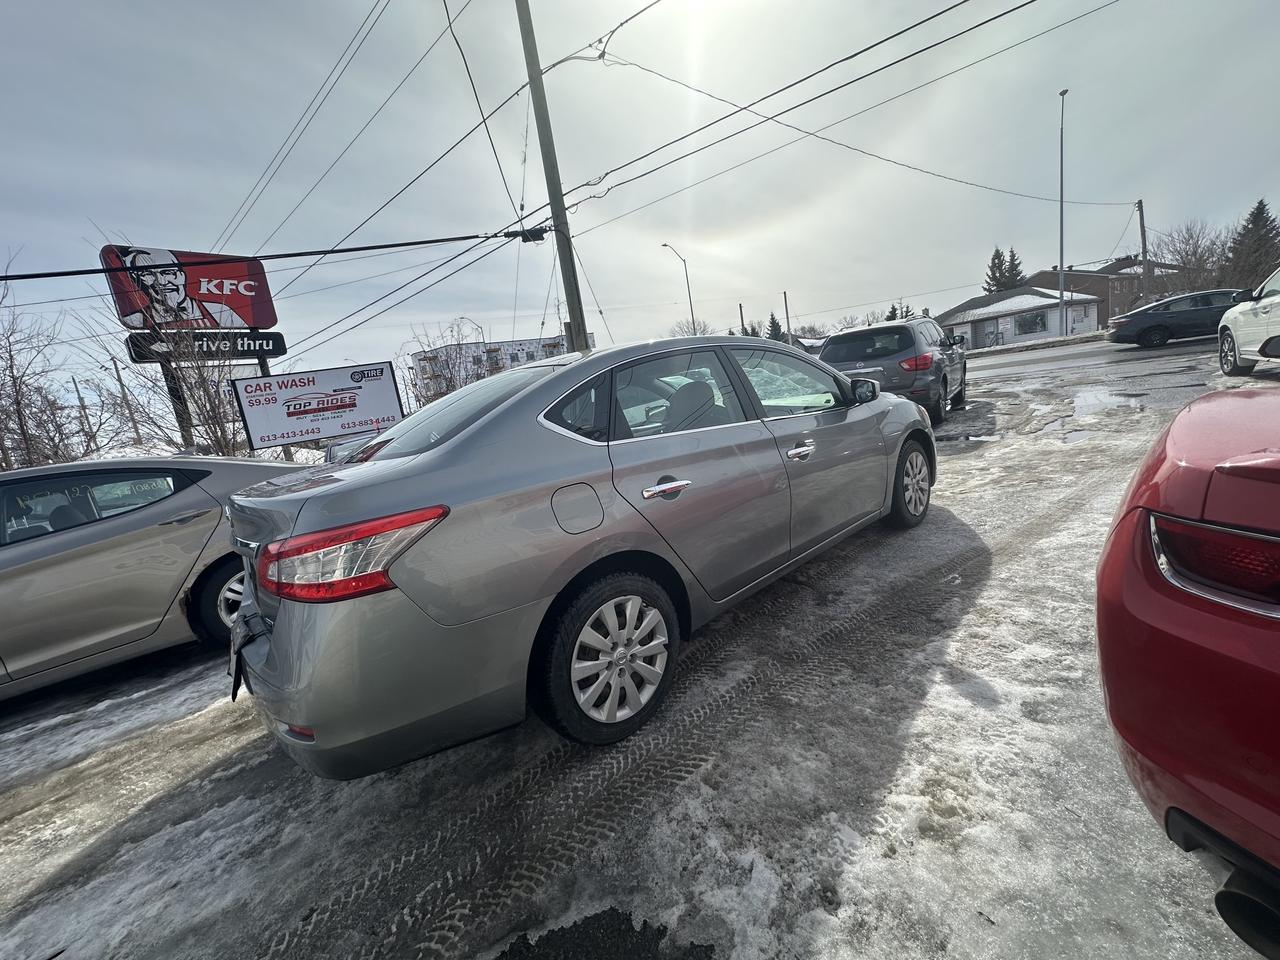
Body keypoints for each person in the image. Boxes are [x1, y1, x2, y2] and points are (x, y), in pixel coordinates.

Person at [118, 247, 247, 329]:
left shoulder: (221, 312)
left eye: (168, 272)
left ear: (182, 276)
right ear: (138, 281)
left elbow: (248, 340)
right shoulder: (136, 320)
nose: (162, 282)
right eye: (147, 274)